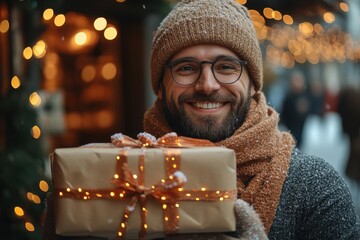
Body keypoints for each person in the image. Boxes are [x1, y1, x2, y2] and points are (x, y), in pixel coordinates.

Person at [143, 0, 360, 239]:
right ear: (160, 87)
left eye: (226, 66)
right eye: (186, 68)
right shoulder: (123, 181)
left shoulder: (314, 188)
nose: (207, 85)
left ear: (253, 84)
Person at [280, 71, 311, 148]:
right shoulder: (289, 96)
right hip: (291, 127)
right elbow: (285, 112)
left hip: (301, 127)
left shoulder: (305, 95)